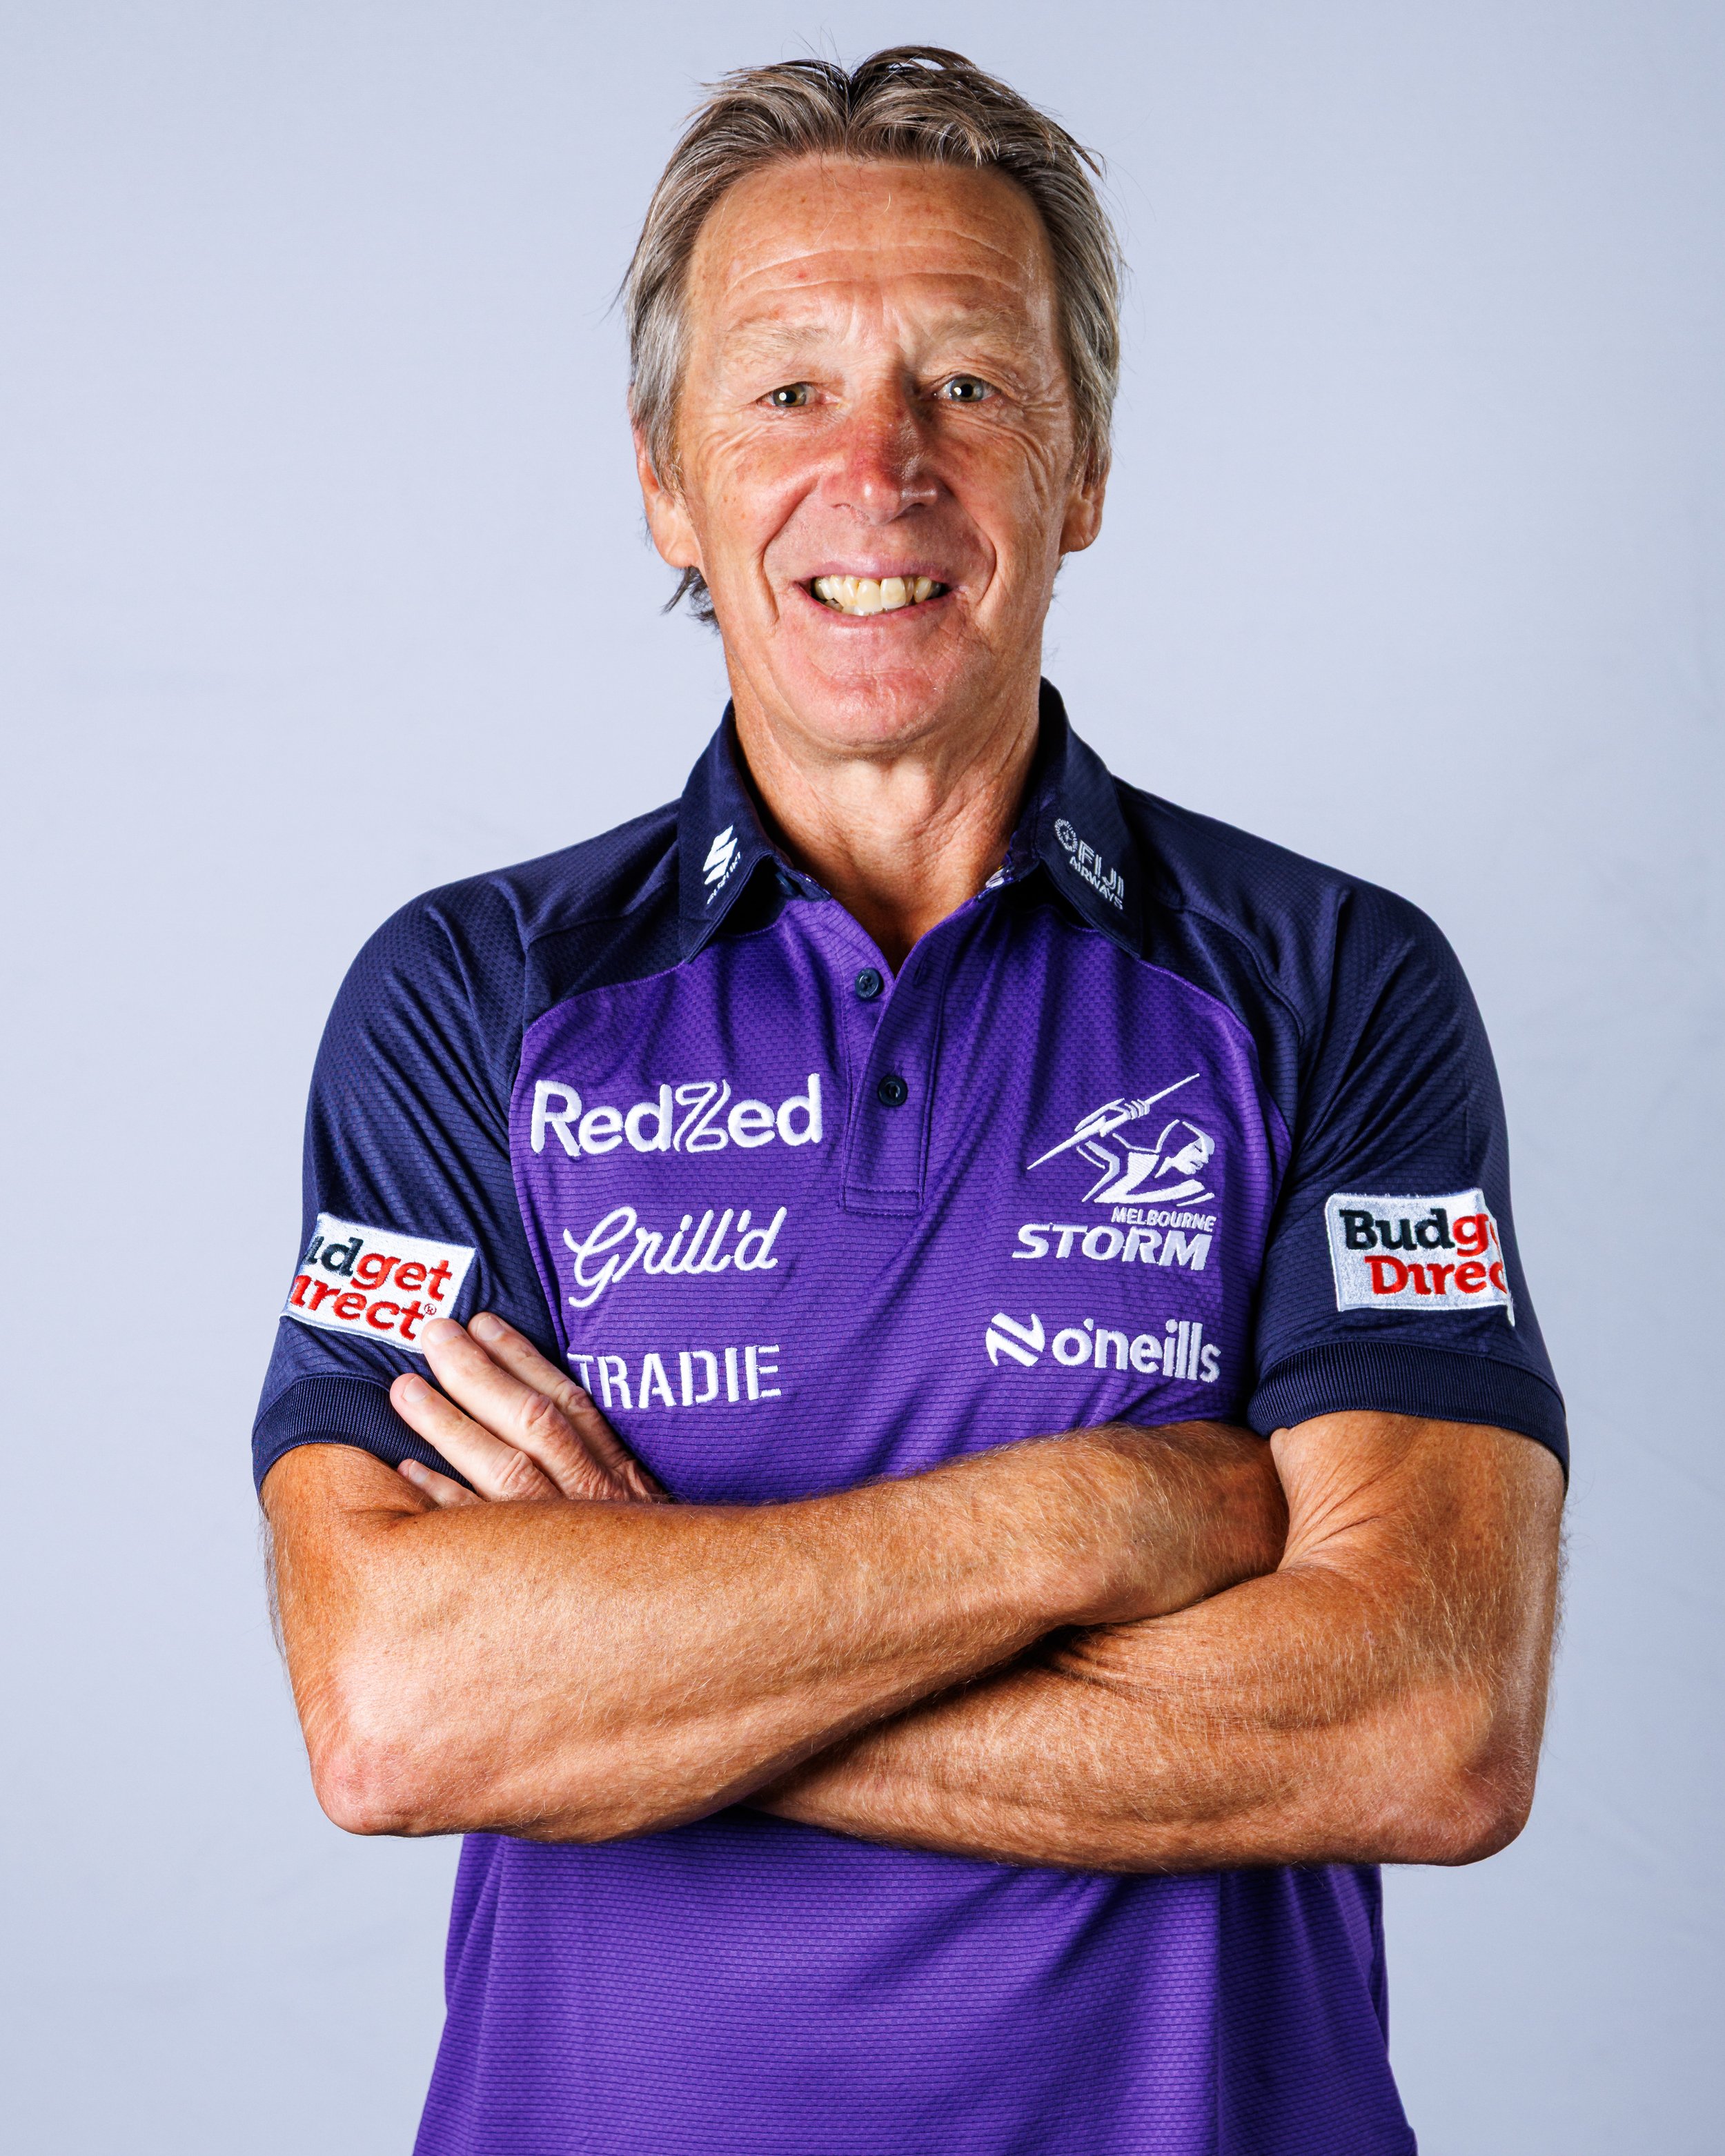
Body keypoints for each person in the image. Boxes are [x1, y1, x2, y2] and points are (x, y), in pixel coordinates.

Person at [257, 47, 1566, 2156]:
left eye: (968, 384)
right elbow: (404, 1710)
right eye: (784, 389)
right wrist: (1107, 1515)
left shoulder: (1330, 984)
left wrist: (645, 1662)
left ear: (1085, 467)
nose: (879, 468)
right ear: (665, 479)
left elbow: (1421, 1728)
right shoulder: (470, 1000)